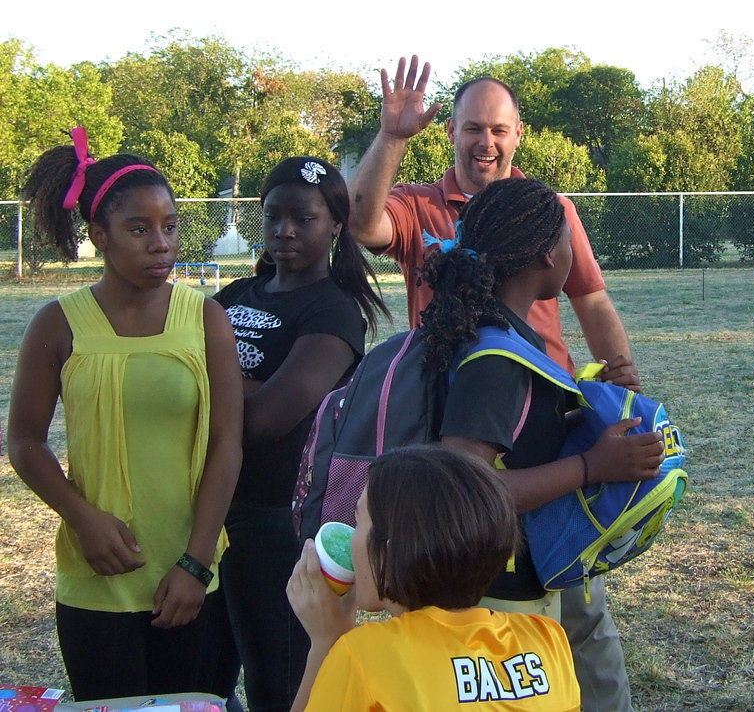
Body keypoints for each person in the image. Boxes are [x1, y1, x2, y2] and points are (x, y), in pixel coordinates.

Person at [347, 55, 640, 711]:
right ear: (449, 131)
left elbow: (591, 298)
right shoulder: (424, 208)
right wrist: (392, 137)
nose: (486, 142)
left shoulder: (547, 209)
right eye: (472, 128)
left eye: (498, 130)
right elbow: (363, 224)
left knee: (577, 611)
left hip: (545, 434)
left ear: (519, 133)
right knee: (488, 622)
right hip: (486, 428)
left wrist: (619, 378)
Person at [6, 129, 243, 702]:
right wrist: (81, 516)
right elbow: (25, 442)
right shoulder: (58, 324)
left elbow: (226, 444)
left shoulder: (205, 318)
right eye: (139, 229)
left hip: (190, 577)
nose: (160, 243)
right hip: (98, 581)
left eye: (170, 226)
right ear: (99, 236)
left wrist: (196, 563)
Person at [417, 178, 663, 653]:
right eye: (569, 236)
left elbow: (515, 436)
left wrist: (593, 418)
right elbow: (465, 487)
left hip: (495, 589)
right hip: (490, 606)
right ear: (549, 253)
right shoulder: (496, 356)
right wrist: (592, 467)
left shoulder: (500, 334)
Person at [207, 157, 388, 711]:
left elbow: (265, 422)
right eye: (273, 216)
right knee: (203, 676)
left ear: (335, 225)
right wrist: (250, 381)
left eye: (302, 218)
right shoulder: (236, 295)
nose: (284, 229)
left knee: (277, 682)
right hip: (208, 511)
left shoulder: (333, 312)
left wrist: (217, 378)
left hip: (276, 521)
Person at [286, 444, 581, 712]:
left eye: (359, 520)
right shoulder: (547, 638)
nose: (351, 537)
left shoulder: (364, 657)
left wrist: (328, 641)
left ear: (389, 555)